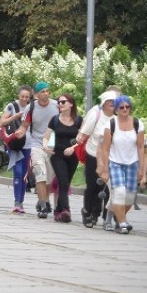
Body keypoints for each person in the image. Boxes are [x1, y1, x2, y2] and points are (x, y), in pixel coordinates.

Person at [98, 95, 145, 234]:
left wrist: (141, 169)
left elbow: (141, 147)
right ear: (116, 110)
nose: (125, 109)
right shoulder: (110, 125)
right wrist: (105, 169)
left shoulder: (138, 123)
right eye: (121, 107)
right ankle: (122, 223)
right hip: (115, 162)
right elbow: (105, 148)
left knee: (129, 196)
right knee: (119, 192)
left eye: (127, 106)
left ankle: (112, 218)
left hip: (132, 163)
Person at [77, 90, 117, 228]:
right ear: (104, 103)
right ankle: (87, 211)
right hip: (93, 154)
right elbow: (82, 134)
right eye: (110, 101)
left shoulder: (117, 118)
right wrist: (77, 142)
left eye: (114, 101)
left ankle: (104, 215)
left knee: (107, 188)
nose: (112, 104)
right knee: (93, 186)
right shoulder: (96, 114)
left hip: (110, 157)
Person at [41, 93, 82, 223]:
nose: (60, 104)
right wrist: (46, 146)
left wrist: (73, 148)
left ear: (71, 103)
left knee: (65, 183)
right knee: (63, 181)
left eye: (63, 102)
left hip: (73, 156)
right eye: (59, 102)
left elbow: (83, 139)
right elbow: (46, 137)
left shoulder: (78, 120)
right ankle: (66, 210)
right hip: (57, 155)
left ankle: (58, 210)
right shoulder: (55, 119)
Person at [21, 81, 58, 218]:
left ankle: (44, 200)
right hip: (36, 145)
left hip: (52, 146)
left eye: (47, 91)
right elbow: (24, 125)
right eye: (42, 92)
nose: (46, 94)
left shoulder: (56, 106)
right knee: (40, 173)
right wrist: (19, 133)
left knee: (49, 177)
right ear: (36, 94)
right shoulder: (31, 107)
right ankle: (43, 204)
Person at [0, 85, 33, 214]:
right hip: (15, 143)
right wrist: (16, 116)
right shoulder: (12, 106)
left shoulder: (33, 107)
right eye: (22, 97)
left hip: (29, 143)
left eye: (27, 97)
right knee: (18, 171)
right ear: (18, 96)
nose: (24, 99)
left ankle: (21, 202)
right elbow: (2, 122)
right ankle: (17, 201)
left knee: (25, 174)